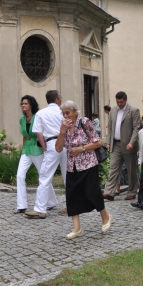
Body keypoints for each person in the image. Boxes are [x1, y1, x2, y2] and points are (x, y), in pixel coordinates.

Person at [55, 101, 112, 239]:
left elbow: (99, 142)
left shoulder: (84, 122)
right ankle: (77, 228)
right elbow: (58, 148)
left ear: (75, 112)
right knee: (72, 195)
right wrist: (62, 132)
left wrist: (82, 148)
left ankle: (105, 217)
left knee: (92, 192)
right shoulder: (64, 127)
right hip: (72, 166)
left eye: (68, 113)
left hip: (88, 163)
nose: (66, 116)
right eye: (63, 114)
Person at [24, 90, 66, 219]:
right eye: (60, 97)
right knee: (68, 176)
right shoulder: (63, 112)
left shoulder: (41, 113)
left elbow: (38, 133)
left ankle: (40, 209)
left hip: (51, 143)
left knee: (45, 177)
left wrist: (44, 147)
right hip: (65, 144)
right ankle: (72, 204)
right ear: (57, 100)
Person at [103, 92, 141, 201]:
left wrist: (132, 142)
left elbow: (136, 128)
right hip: (116, 144)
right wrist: (108, 142)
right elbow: (110, 128)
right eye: (117, 102)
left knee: (131, 169)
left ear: (126, 100)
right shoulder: (113, 111)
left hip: (129, 144)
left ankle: (132, 191)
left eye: (121, 102)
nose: (119, 104)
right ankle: (109, 192)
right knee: (113, 168)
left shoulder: (133, 110)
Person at [14, 95, 43, 214]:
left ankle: (51, 201)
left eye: (25, 103)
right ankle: (21, 205)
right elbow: (24, 136)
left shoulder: (38, 117)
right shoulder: (22, 119)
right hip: (26, 150)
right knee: (20, 175)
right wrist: (22, 149)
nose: (23, 105)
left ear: (31, 105)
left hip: (37, 149)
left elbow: (41, 132)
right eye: (22, 103)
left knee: (43, 175)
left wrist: (44, 148)